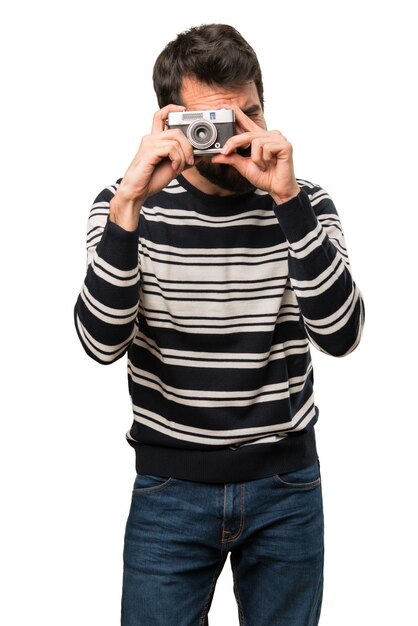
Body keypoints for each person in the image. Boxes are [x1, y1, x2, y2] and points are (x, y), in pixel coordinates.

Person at [74, 23, 364, 626]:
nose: (234, 138)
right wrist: (128, 208)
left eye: (249, 116)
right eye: (213, 122)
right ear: (169, 123)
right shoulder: (122, 204)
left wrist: (288, 204)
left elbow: (342, 335)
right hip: (169, 489)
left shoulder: (305, 201)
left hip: (285, 485)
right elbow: (100, 343)